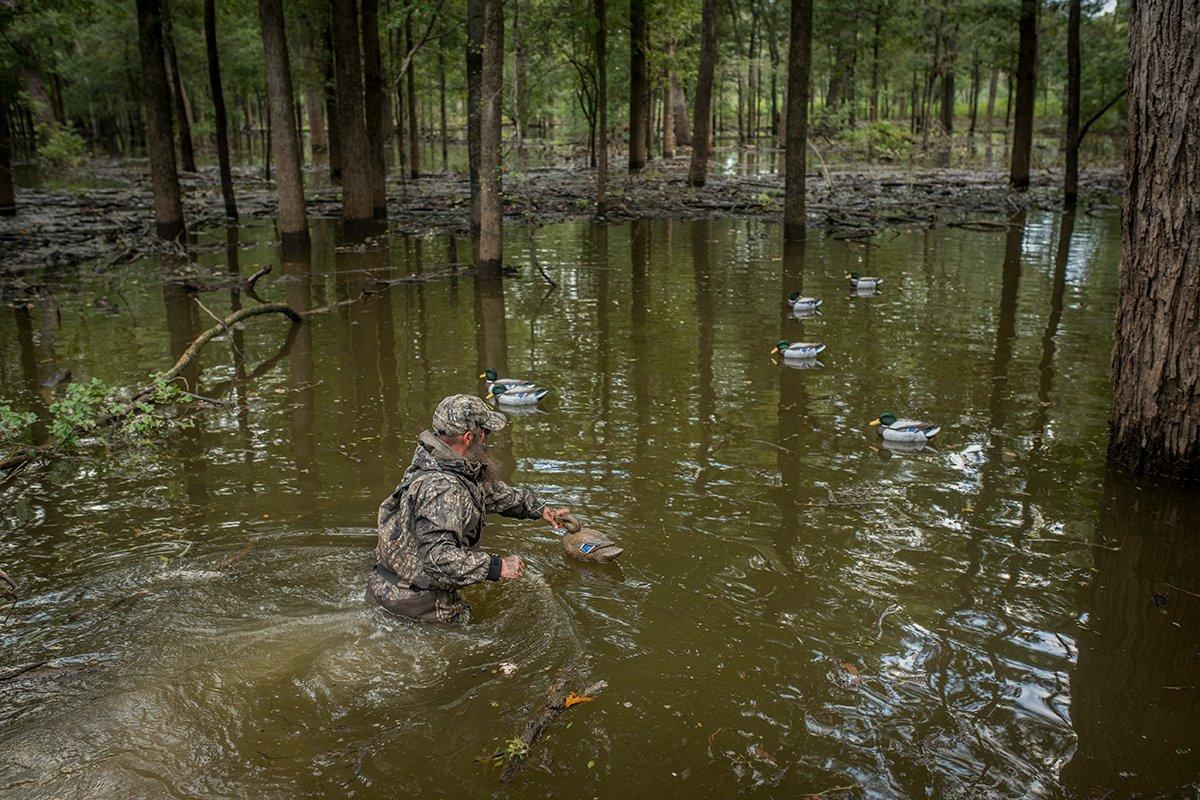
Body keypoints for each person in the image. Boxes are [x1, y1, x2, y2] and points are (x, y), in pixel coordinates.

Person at [367, 394, 570, 623]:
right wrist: (497, 566)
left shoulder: (435, 461)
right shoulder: (444, 489)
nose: (486, 440)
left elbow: (488, 494)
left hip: (385, 588)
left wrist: (539, 509)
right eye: (485, 433)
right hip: (416, 606)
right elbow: (437, 558)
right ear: (468, 437)